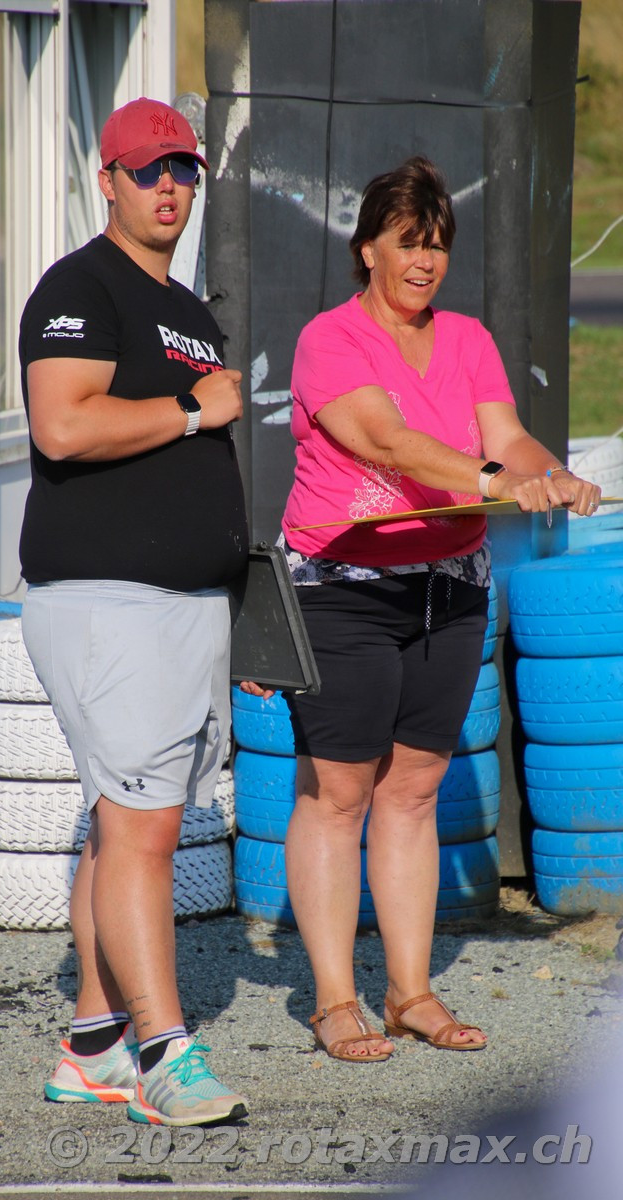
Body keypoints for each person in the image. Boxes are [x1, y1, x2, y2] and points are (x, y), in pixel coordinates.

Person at [276, 156, 601, 1063]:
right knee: (338, 793)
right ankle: (334, 1001)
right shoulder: (329, 339)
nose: (425, 261)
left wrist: (552, 474)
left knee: (414, 791)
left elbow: (508, 437)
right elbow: (388, 440)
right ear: (368, 249)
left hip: (451, 586)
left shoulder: (466, 338)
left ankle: (409, 992)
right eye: (408, 243)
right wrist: (497, 480)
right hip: (343, 587)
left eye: (439, 245)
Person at [17, 97, 251, 1126]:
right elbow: (63, 426)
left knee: (124, 828)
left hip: (184, 607)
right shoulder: (79, 286)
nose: (168, 186)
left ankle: (91, 1046)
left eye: (183, 170)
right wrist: (197, 407)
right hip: (108, 603)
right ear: (106, 180)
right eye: (148, 169)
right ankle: (164, 1054)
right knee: (145, 833)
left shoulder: (185, 309)